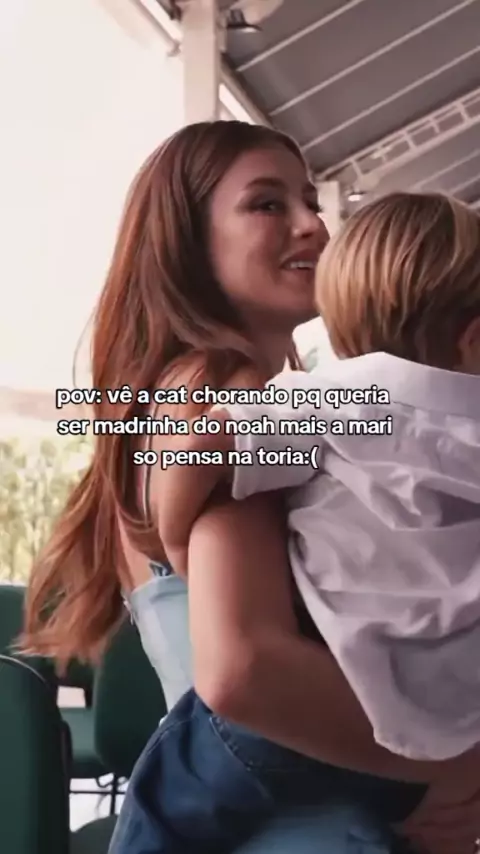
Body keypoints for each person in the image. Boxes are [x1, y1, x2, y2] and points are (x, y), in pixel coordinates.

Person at [17, 123, 480, 853]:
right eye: (267, 205)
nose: (313, 224)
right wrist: (454, 774)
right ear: (187, 244)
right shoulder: (229, 395)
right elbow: (244, 669)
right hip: (300, 825)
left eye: (309, 201)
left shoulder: (235, 400)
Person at [159, 191, 480, 763]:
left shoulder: (331, 401)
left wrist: (177, 543)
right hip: (458, 723)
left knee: (166, 792)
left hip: (326, 709)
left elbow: (197, 448)